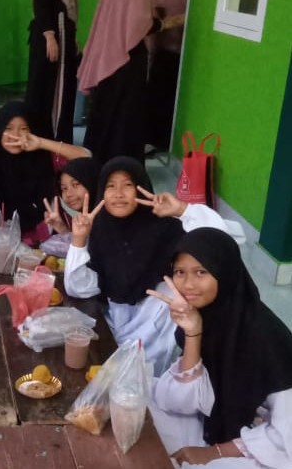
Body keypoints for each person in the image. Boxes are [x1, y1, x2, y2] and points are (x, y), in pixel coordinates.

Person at [63, 156, 230, 376]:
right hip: (115, 322)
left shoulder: (166, 227)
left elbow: (221, 241)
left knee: (144, 381)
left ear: (141, 188)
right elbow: (78, 287)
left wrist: (182, 210)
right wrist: (78, 240)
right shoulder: (100, 229)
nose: (119, 193)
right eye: (111, 186)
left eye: (128, 185)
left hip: (157, 323)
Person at [148, 228, 292, 468]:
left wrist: (215, 452)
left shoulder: (266, 337)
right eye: (180, 272)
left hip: (267, 443)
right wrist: (193, 332)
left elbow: (285, 433)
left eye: (201, 272)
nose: (188, 284)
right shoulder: (205, 314)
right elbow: (183, 400)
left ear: (225, 272)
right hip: (215, 419)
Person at [78, 0, 183, 165]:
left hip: (109, 57)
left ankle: (96, 163)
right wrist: (166, 23)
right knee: (125, 117)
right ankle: (122, 166)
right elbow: (139, 24)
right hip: (127, 58)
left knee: (106, 112)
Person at [0, 101, 90, 245]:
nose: (15, 135)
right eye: (8, 128)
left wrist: (41, 143)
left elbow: (86, 157)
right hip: (5, 240)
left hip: (51, 236)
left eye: (23, 129)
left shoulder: (45, 159)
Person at [25, 0, 80, 144]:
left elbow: (71, 9)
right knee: (46, 88)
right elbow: (41, 7)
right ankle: (42, 138)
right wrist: (49, 36)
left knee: (64, 89)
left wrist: (73, 38)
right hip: (50, 41)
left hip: (65, 39)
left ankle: (60, 139)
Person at [146, 0, 192, 152]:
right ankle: (150, 139)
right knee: (155, 95)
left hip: (180, 51)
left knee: (170, 98)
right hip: (158, 49)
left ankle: (163, 142)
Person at [43, 156, 100, 234]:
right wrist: (62, 228)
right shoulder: (84, 221)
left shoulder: (110, 219)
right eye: (64, 188)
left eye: (75, 185)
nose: (68, 194)